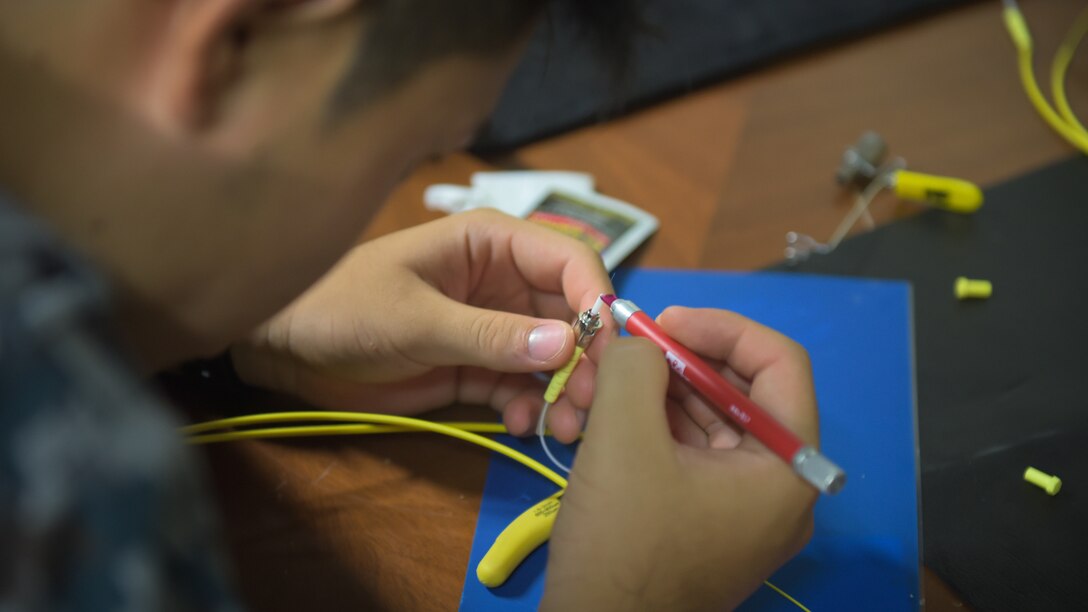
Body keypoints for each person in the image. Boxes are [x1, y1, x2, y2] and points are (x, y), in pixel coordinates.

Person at [0, 0, 817, 609]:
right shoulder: (82, 484)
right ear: (232, 43)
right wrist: (626, 597)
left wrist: (254, 336)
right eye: (405, 162)